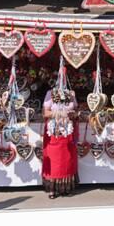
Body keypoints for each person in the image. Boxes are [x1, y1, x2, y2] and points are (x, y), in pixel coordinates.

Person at [41, 61, 79, 199]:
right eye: (60, 79)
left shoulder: (71, 94)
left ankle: (66, 187)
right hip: (53, 133)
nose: (62, 82)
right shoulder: (50, 94)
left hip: (67, 133)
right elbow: (45, 113)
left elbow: (75, 111)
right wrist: (59, 114)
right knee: (54, 161)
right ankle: (52, 189)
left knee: (67, 160)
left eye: (64, 79)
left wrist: (72, 115)